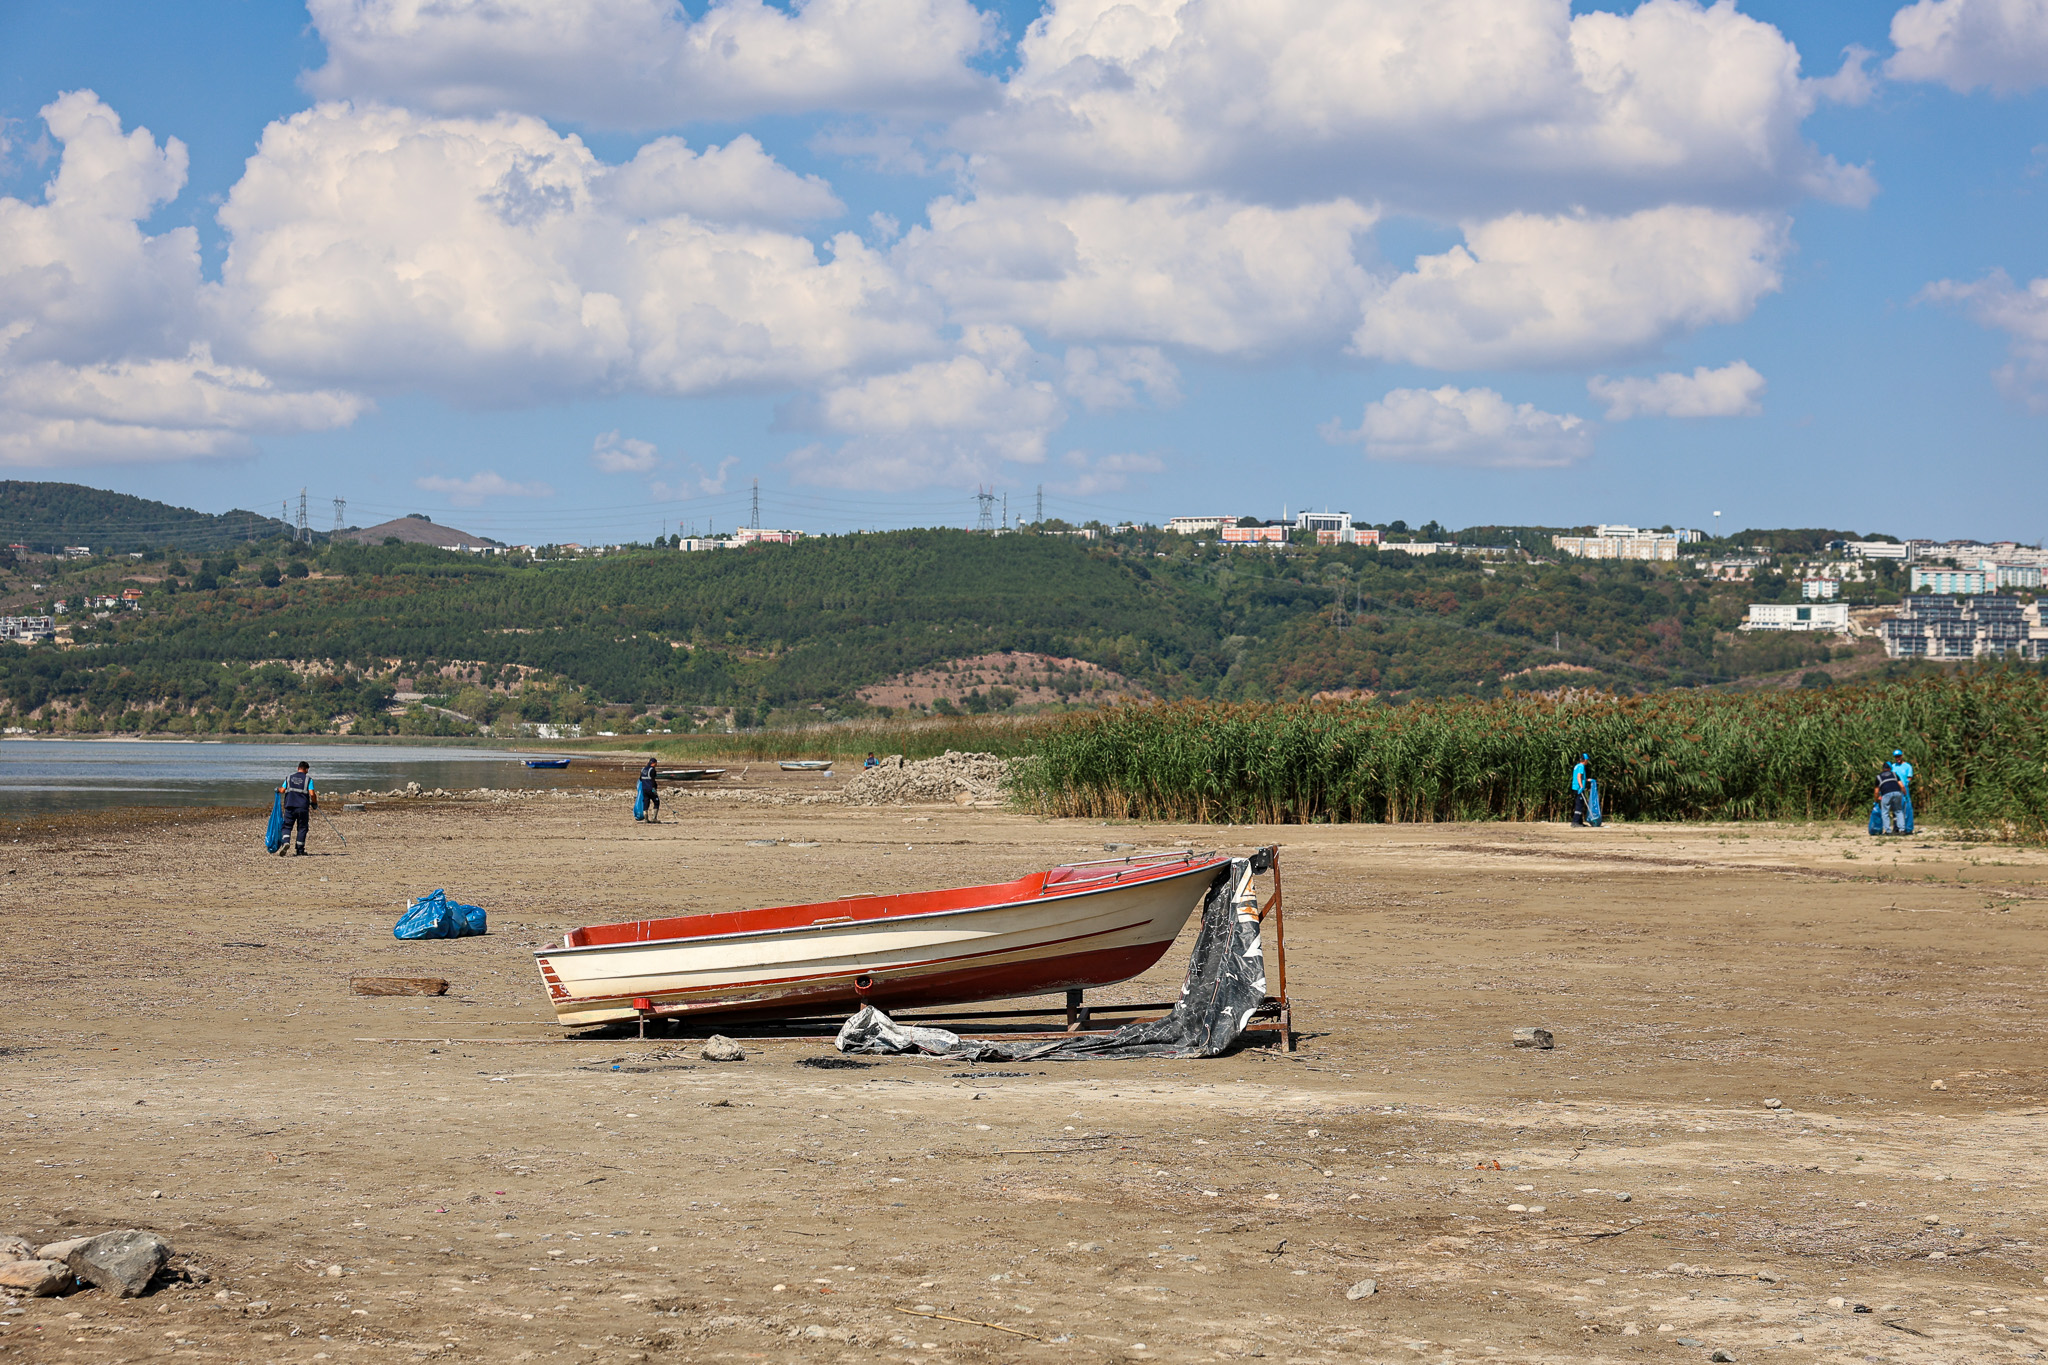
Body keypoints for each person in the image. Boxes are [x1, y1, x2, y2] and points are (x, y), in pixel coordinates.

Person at [278, 761, 315, 856]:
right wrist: (314, 803)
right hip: (302, 807)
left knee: (287, 826)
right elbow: (312, 793)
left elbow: (282, 790)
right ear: (306, 769)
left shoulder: (289, 778)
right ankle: (300, 850)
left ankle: (286, 842)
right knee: (302, 828)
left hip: (289, 806)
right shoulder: (308, 779)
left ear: (297, 768)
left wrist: (277, 790)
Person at [1875, 763, 1908, 835]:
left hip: (1886, 794)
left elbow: (1876, 791)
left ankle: (1888, 831)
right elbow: (1902, 786)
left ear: (1882, 769)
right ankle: (1902, 830)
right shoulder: (1894, 774)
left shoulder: (1878, 777)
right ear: (1890, 769)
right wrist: (1905, 795)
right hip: (1897, 793)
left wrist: (1876, 800)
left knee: (1885, 812)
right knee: (1898, 811)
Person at [1570, 753, 1591, 827]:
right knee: (1579, 805)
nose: (1587, 761)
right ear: (1585, 760)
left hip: (1575, 787)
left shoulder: (1577, 766)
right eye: (1587, 760)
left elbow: (1581, 778)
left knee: (1581, 804)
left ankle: (1579, 822)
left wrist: (1588, 780)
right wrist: (1581, 786)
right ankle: (1575, 822)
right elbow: (1579, 776)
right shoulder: (1581, 766)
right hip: (1579, 788)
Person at [637, 757, 660, 823]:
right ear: (654, 763)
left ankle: (646, 819)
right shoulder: (652, 770)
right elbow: (653, 780)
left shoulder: (643, 769)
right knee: (656, 802)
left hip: (644, 789)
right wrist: (654, 788)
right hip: (651, 789)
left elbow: (641, 779)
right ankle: (654, 818)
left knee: (646, 802)